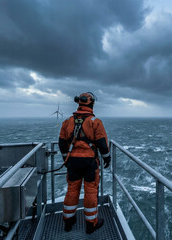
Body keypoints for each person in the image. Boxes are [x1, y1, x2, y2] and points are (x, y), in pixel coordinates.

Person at [58, 92, 111, 234]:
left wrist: (66, 158)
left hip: (73, 162)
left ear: (79, 104)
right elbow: (102, 144)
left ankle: (68, 222)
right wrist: (107, 158)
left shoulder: (68, 121)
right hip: (89, 163)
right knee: (91, 192)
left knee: (72, 190)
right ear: (91, 103)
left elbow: (62, 142)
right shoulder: (95, 122)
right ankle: (91, 224)